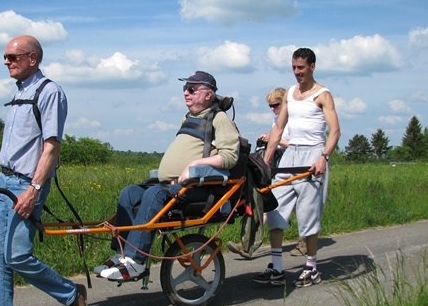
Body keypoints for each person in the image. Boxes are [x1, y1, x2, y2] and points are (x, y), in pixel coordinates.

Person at [0, 35, 88, 306]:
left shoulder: (49, 92)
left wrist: (33, 189)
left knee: (17, 255)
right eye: (5, 57)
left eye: (12, 57)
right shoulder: (20, 92)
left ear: (32, 58)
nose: (6, 62)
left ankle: (71, 295)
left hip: (26, 184)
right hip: (6, 182)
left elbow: (51, 147)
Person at [94, 71, 241, 281]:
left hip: (196, 189)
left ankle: (136, 261)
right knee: (129, 193)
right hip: (171, 185)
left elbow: (229, 157)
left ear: (208, 94)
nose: (186, 93)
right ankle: (122, 253)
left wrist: (195, 164)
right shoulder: (188, 118)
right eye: (184, 89)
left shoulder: (219, 118)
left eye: (191, 89)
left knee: (153, 194)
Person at [252, 48, 340, 288]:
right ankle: (277, 269)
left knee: (307, 216)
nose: (297, 72)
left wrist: (323, 157)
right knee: (276, 210)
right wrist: (266, 163)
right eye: (293, 67)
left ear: (312, 66)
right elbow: (278, 130)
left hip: (313, 156)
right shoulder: (290, 93)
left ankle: (311, 267)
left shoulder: (323, 94)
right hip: (291, 156)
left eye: (301, 67)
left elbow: (335, 131)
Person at [259, 88, 307, 257]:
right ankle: (252, 240)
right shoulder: (276, 119)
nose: (273, 108)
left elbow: (296, 144)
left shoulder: (294, 120)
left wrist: (277, 140)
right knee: (274, 201)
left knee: (300, 205)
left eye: (276, 105)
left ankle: (305, 239)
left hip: (297, 163)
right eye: (270, 105)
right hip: (280, 164)